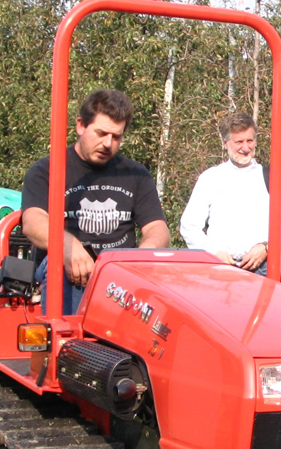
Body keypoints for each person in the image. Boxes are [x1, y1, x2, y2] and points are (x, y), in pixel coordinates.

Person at [21, 89, 170, 314]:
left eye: (116, 137)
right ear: (81, 126)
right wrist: (69, 246)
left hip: (120, 272)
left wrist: (142, 256)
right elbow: (33, 222)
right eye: (101, 133)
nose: (108, 143)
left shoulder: (136, 174)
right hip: (67, 269)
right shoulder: (48, 170)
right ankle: (70, 344)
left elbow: (157, 229)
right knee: (67, 267)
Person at [179, 113, 281, 275]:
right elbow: (189, 226)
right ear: (225, 143)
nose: (246, 148)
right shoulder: (211, 178)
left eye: (250, 141)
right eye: (239, 142)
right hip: (219, 271)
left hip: (262, 270)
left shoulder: (270, 177)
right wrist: (213, 253)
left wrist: (266, 247)